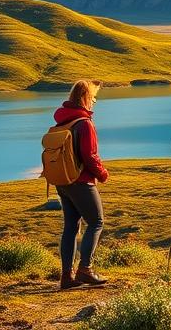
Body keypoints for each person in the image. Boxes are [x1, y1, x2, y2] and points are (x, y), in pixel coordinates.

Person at [53, 80, 109, 289]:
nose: (94, 101)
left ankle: (67, 277)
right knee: (96, 221)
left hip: (63, 180)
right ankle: (85, 269)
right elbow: (90, 155)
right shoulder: (84, 123)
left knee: (70, 226)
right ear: (85, 98)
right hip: (81, 181)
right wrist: (102, 174)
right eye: (93, 97)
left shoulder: (63, 121)